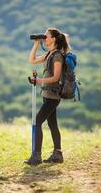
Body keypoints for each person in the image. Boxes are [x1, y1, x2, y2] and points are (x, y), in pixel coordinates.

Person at [25, 28, 71, 165]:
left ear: (54, 39)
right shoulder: (49, 54)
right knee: (52, 124)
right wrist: (36, 45)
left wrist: (39, 81)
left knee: (37, 121)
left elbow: (56, 77)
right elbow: (32, 60)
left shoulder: (57, 56)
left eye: (46, 36)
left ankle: (36, 156)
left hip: (53, 96)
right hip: (47, 94)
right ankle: (57, 154)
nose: (44, 38)